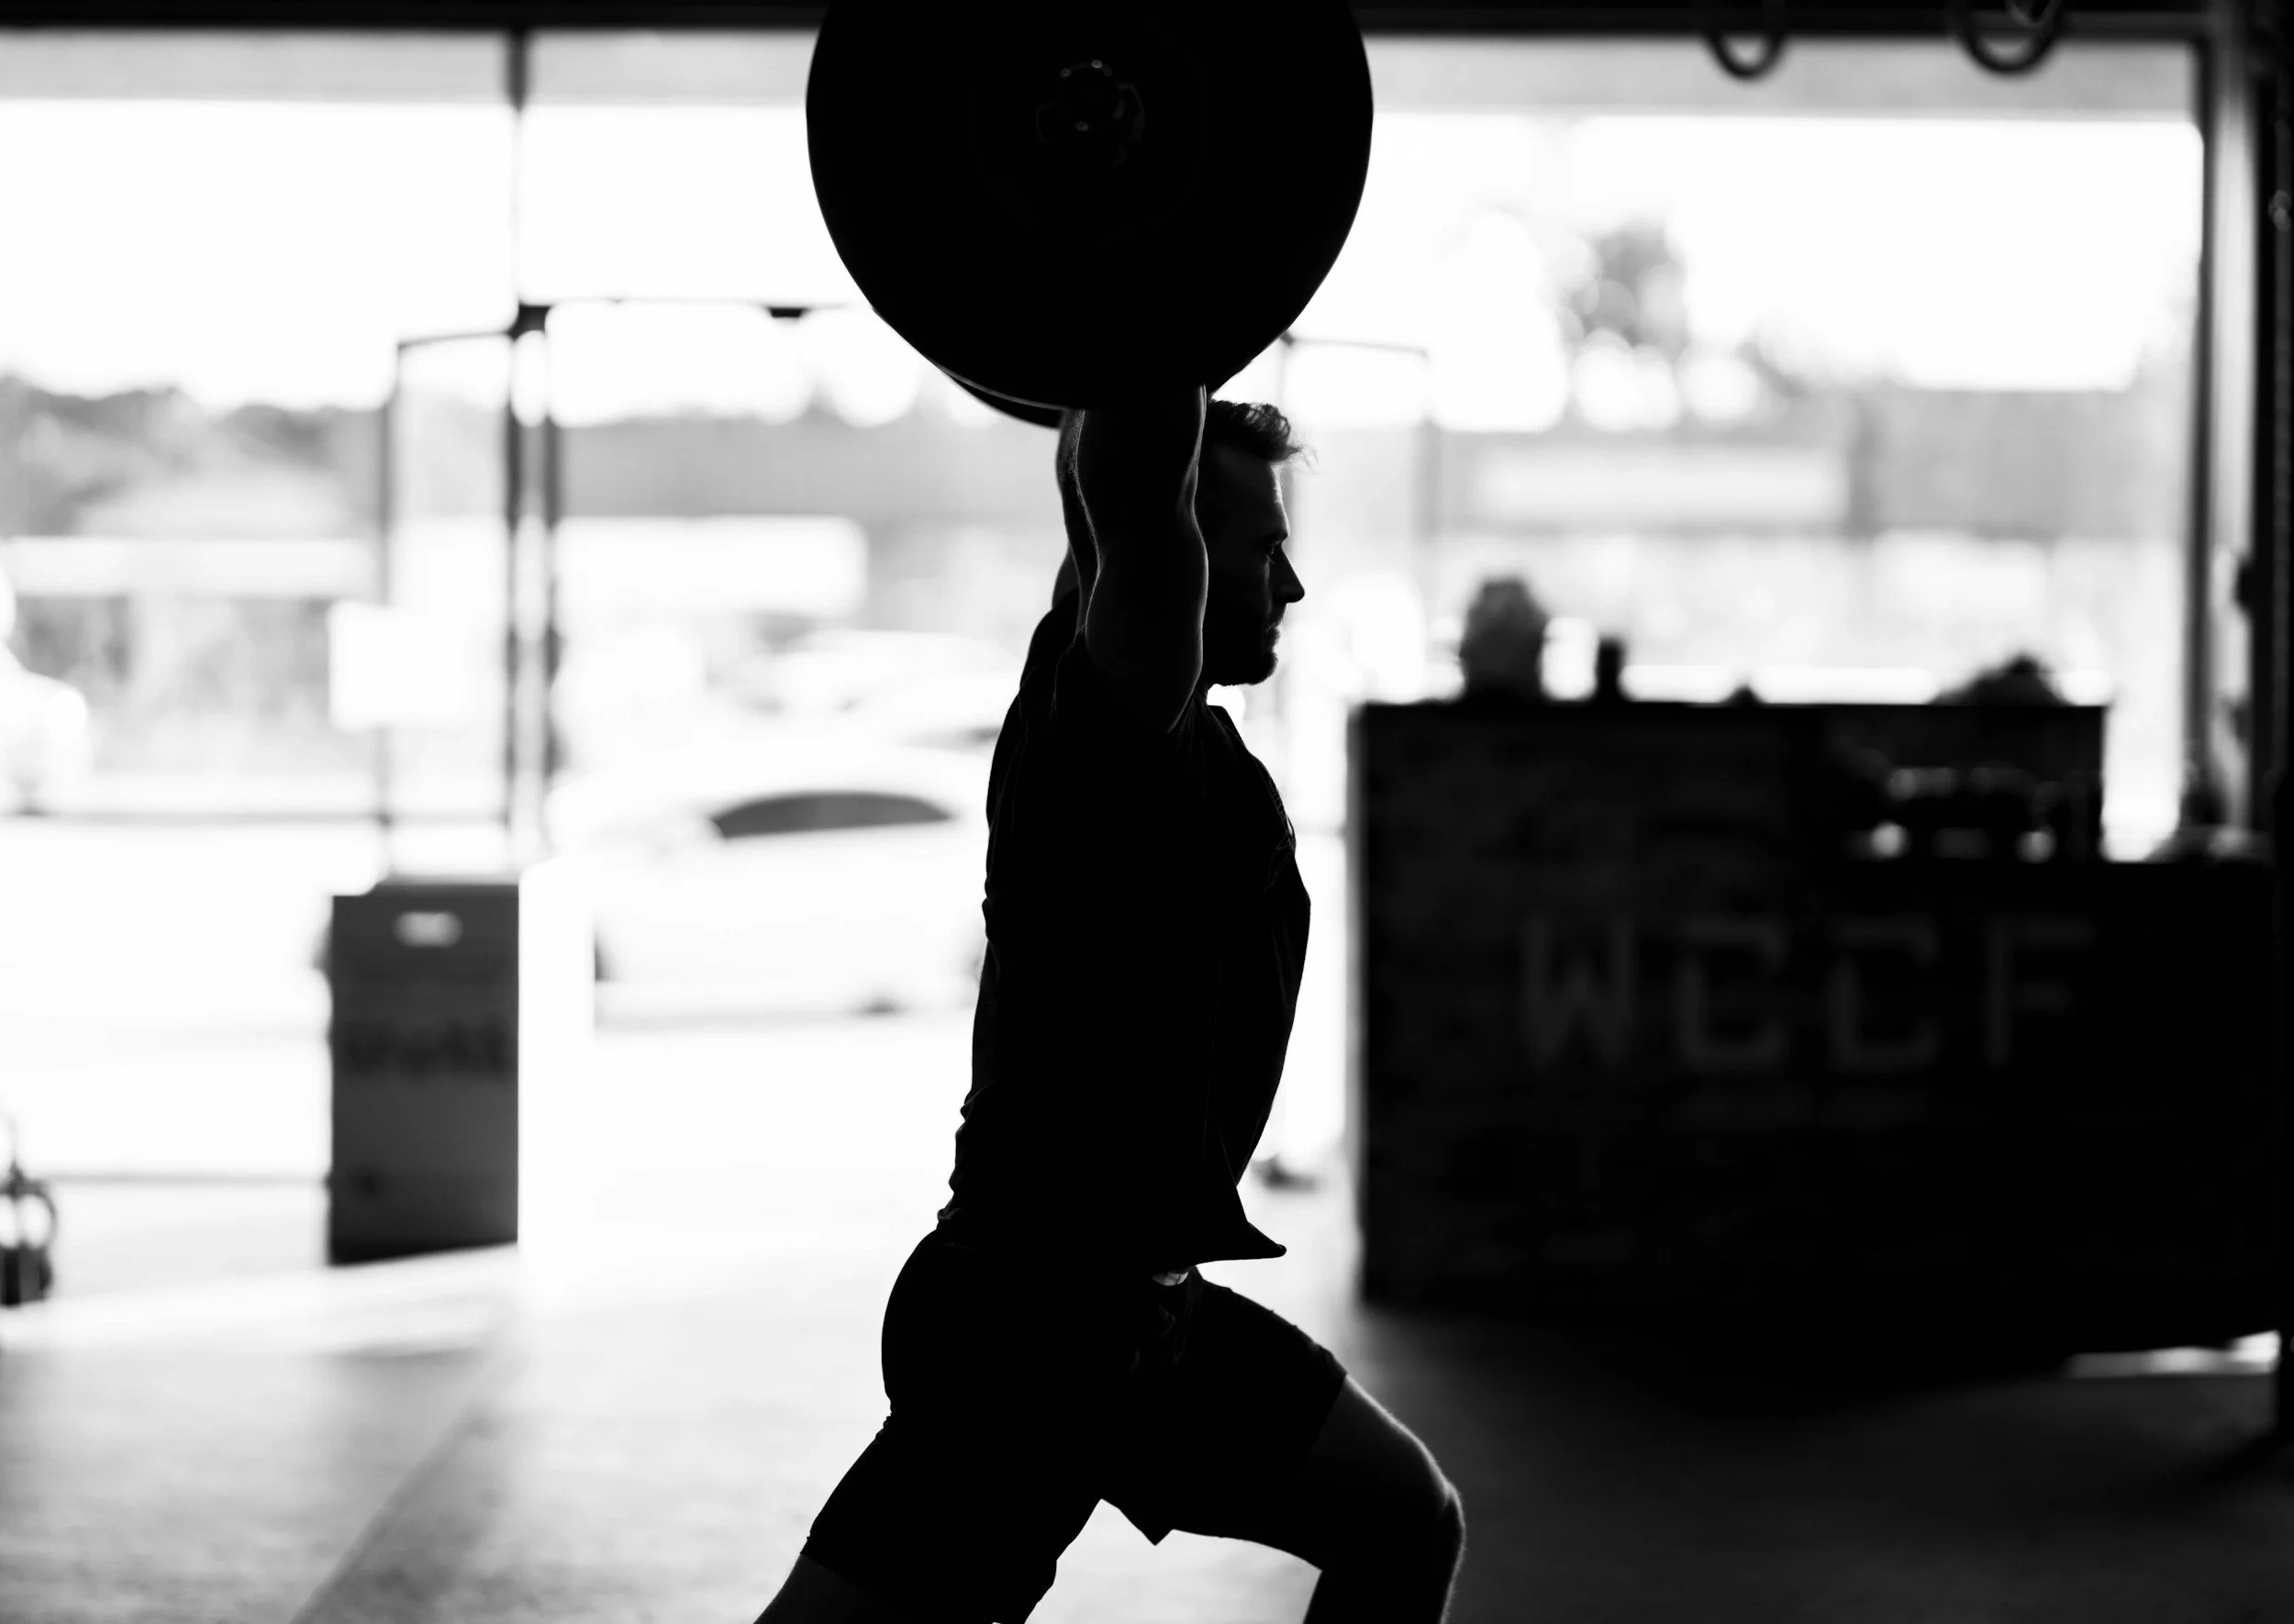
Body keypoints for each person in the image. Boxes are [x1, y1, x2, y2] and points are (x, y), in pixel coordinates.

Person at [755, 391, 1467, 1623]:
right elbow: (1129, 489)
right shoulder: (1109, 717)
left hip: (1139, 1315)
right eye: (1257, 547)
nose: (1290, 584)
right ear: (1172, 553)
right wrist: (1153, 303)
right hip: (1029, 1330)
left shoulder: (1188, 734)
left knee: (1402, 1515)